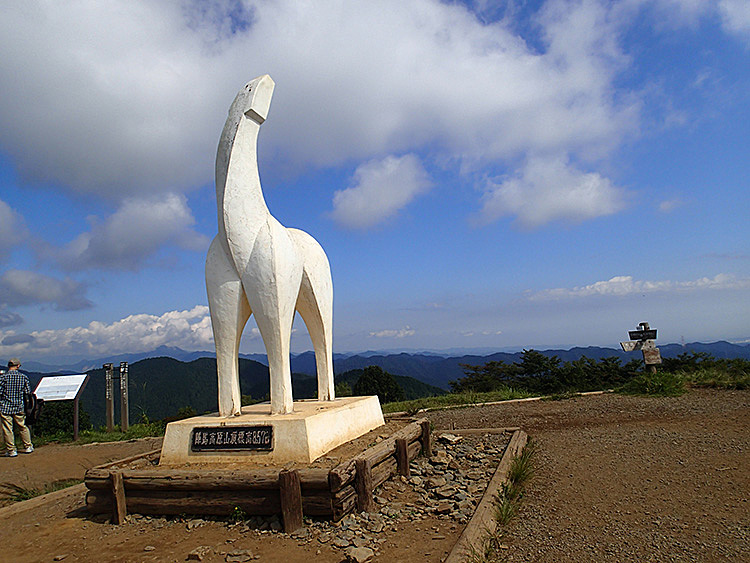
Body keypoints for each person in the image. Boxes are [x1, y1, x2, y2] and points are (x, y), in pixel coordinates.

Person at [0, 358, 34, 457]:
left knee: (7, 429)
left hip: (5, 406)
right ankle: (28, 446)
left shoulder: (3, 377)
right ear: (18, 366)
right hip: (19, 406)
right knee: (22, 426)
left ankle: (11, 450)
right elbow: (27, 392)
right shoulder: (23, 377)